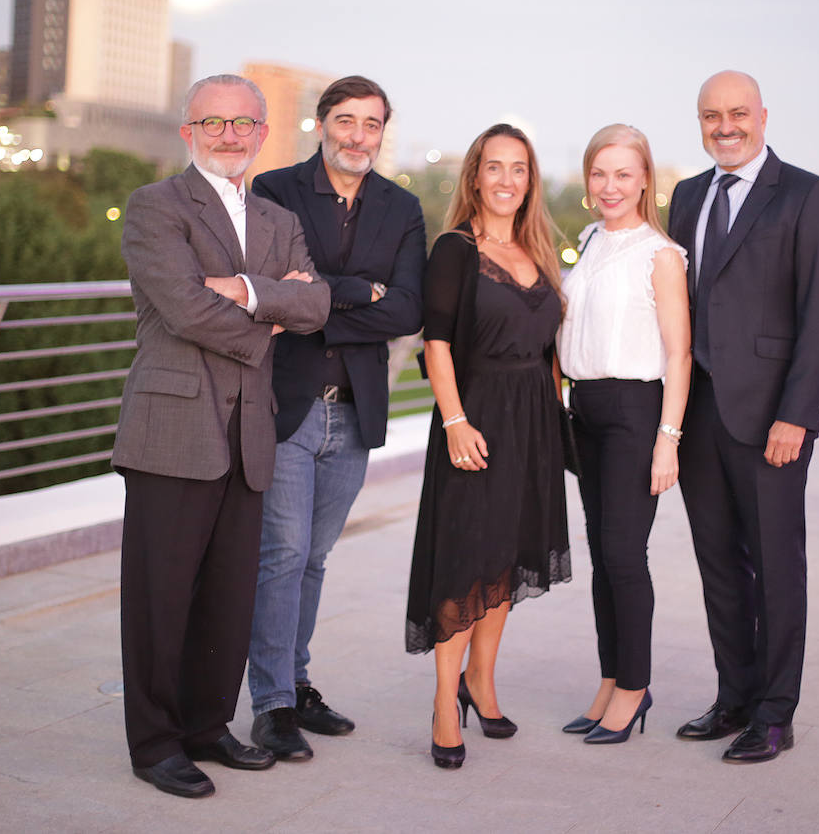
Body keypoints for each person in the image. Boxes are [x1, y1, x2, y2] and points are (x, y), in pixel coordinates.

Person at [112, 74, 331, 798]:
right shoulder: (156, 207)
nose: (231, 136)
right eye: (215, 123)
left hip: (248, 433)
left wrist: (239, 289)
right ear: (189, 133)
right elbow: (183, 309)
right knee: (160, 596)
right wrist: (271, 305)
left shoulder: (275, 217)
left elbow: (317, 301)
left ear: (263, 133)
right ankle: (155, 744)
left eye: (244, 124)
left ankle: (207, 726)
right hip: (173, 426)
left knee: (227, 596)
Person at [667, 71, 819, 763]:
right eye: (711, 116)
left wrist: (796, 416)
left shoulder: (808, 195)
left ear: (763, 116)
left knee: (775, 565)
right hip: (699, 413)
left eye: (737, 113)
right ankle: (733, 696)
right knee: (717, 562)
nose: (724, 126)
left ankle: (776, 712)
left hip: (771, 416)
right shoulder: (687, 195)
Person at [245, 76, 426, 762]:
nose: (357, 135)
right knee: (283, 556)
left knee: (314, 558)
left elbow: (408, 310)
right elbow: (267, 294)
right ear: (320, 123)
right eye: (345, 121)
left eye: (371, 124)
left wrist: (317, 298)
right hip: (285, 406)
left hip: (353, 412)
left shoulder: (401, 208)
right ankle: (272, 706)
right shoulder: (276, 192)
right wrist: (357, 293)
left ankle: (295, 679)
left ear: (383, 131)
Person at [405, 123, 571, 769]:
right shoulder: (454, 248)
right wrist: (454, 421)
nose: (506, 180)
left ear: (531, 180)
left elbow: (550, 350)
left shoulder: (540, 252)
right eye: (494, 167)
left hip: (532, 422)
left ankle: (483, 683)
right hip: (475, 421)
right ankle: (446, 702)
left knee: (505, 562)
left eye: (519, 168)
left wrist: (555, 422)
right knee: (463, 563)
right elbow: (437, 341)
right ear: (475, 176)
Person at [556, 124, 690, 744]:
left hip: (637, 412)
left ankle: (635, 688)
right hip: (585, 410)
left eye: (624, 175)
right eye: (600, 174)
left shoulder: (660, 253)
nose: (610, 187)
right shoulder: (587, 240)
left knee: (623, 557)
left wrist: (669, 438)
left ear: (644, 181)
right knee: (602, 562)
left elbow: (679, 354)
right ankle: (610, 681)